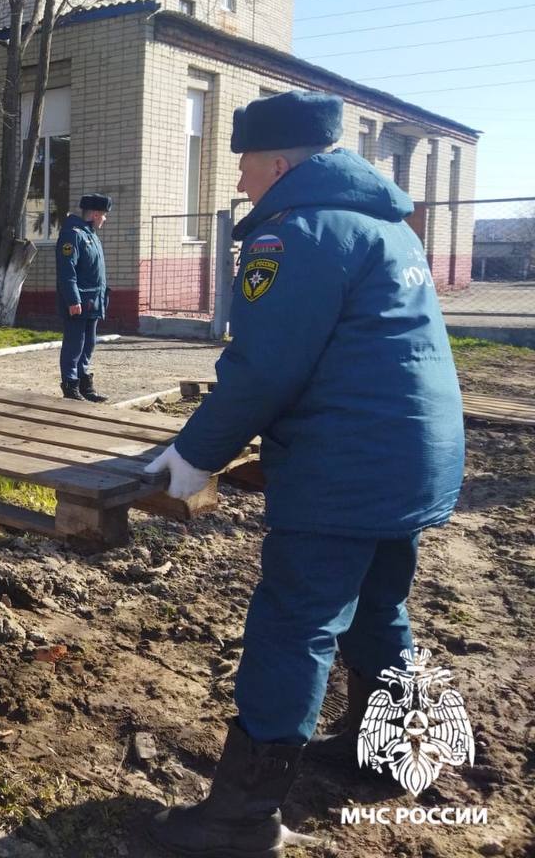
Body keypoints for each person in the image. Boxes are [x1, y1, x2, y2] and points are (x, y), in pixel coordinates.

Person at [143, 90, 464, 856]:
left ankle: (242, 821)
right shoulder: (384, 226)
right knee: (378, 605)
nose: (245, 182)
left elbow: (264, 368)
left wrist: (193, 456)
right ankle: (389, 752)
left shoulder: (297, 234)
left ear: (281, 162)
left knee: (293, 626)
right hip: (413, 458)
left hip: (345, 469)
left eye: (248, 166)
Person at [55, 193, 111, 401]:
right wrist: (73, 299)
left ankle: (84, 384)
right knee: (74, 344)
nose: (105, 219)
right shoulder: (73, 234)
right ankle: (70, 386)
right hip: (79, 303)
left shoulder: (91, 235)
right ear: (95, 214)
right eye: (104, 215)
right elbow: (67, 270)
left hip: (93, 301)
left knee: (88, 344)